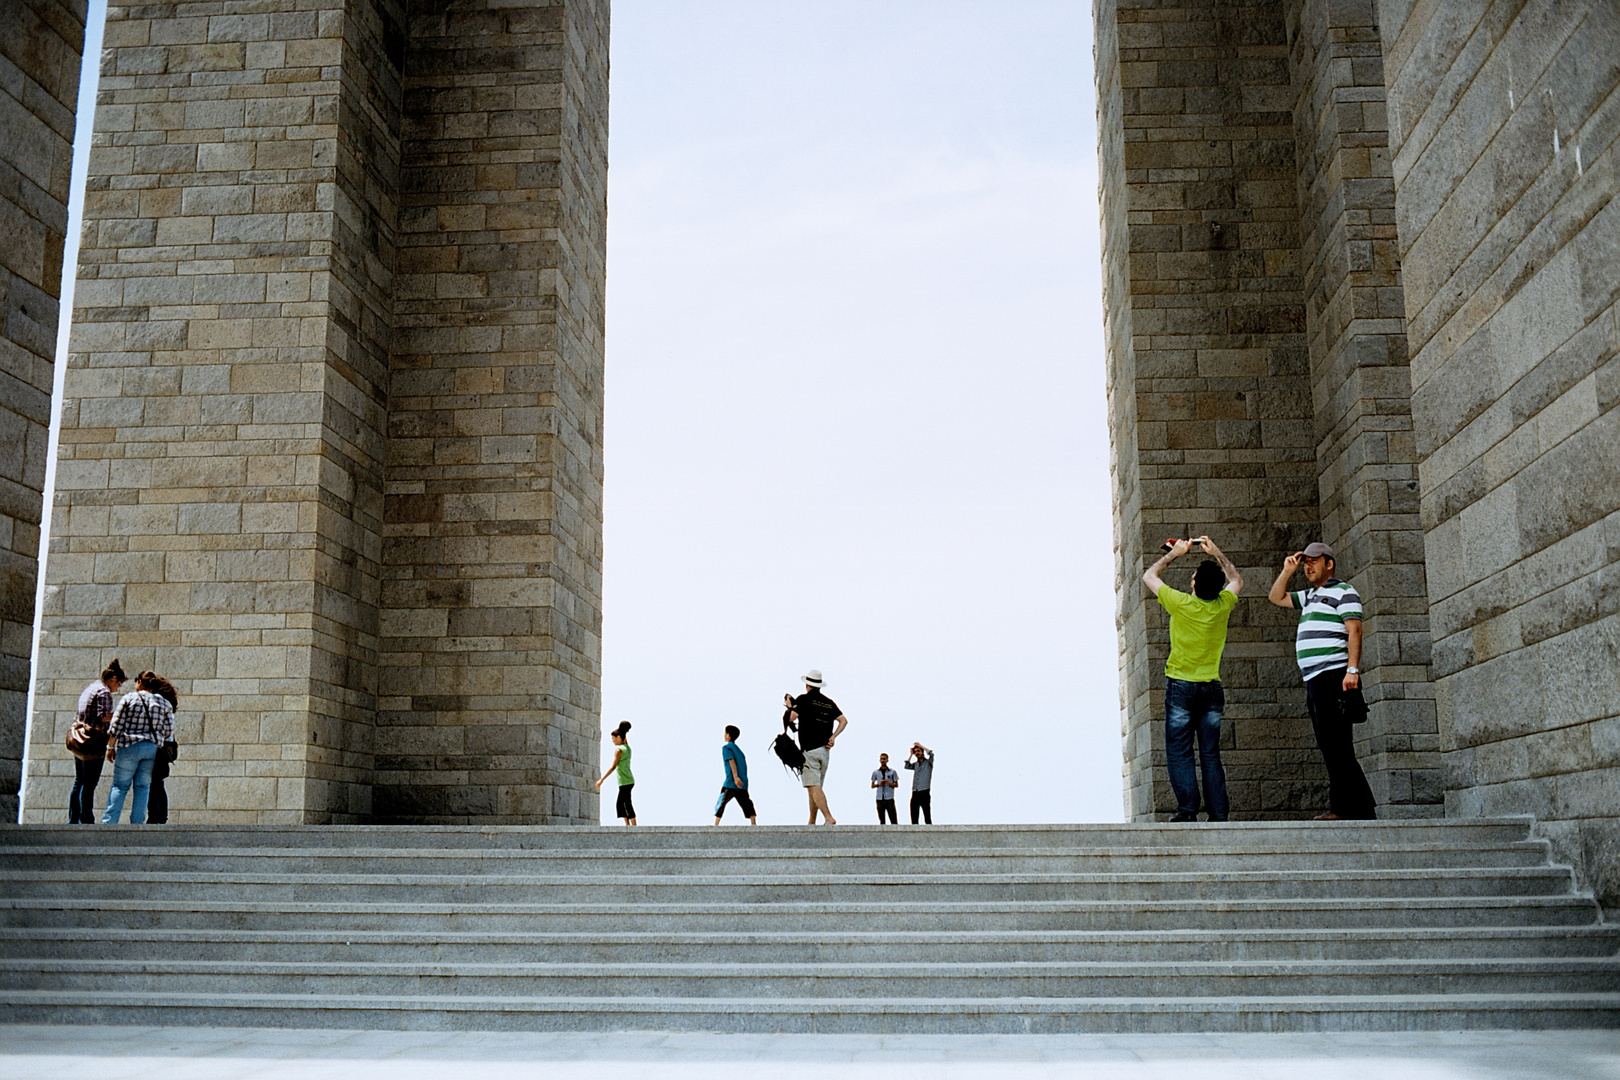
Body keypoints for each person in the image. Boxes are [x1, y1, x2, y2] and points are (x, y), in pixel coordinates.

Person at [1268, 541, 1376, 820]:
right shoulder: (1311, 595)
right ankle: (1361, 808)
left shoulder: (1344, 591)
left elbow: (1355, 632)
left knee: (1336, 743)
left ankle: (1344, 809)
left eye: (1314, 560)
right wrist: (1287, 570)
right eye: (1306, 561)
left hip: (1334, 676)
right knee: (1331, 744)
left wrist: (1352, 671)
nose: (1308, 565)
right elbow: (1276, 597)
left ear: (1330, 563)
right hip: (1315, 679)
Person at [1143, 535, 1242, 822]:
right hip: (1211, 687)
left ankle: (1187, 811)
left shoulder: (1180, 604)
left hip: (1181, 687)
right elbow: (1236, 579)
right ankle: (1218, 814)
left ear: (1194, 584)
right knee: (1210, 755)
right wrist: (1218, 552)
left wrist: (1174, 554)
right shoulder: (1224, 604)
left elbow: (1150, 575)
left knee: (1180, 753)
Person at [101, 670, 175, 825]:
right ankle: (137, 824)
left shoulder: (128, 698)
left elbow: (116, 726)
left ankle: (109, 823)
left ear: (140, 682)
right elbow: (169, 730)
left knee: (120, 786)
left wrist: (110, 747)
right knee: (142, 787)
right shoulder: (163, 703)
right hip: (151, 748)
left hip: (129, 746)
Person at [784, 669, 847, 825]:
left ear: (807, 684)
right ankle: (812, 821)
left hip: (809, 750)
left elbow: (791, 718)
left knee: (813, 786)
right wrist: (833, 737)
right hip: (824, 750)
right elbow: (843, 720)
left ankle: (828, 817)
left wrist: (789, 706)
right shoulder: (828, 702)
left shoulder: (803, 699)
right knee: (815, 787)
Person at [69, 659, 125, 824]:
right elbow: (104, 716)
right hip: (93, 741)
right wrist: (121, 714)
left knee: (79, 780)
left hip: (79, 738)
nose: (117, 689)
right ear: (113, 679)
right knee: (89, 783)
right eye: (119, 684)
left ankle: (73, 819)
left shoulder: (91, 688)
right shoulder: (104, 692)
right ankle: (86, 819)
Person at [145, 674, 179, 825]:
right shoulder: (167, 705)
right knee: (157, 784)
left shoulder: (157, 705)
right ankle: (159, 817)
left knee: (153, 784)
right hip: (163, 749)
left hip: (157, 747)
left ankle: (155, 817)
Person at [714, 725, 757, 825]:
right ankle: (753, 823)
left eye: (725, 733)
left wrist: (735, 777)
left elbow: (731, 761)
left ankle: (715, 825)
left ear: (728, 736)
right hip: (743, 783)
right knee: (746, 802)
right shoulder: (740, 751)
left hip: (731, 782)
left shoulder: (726, 748)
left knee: (722, 801)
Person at [595, 721, 636, 825]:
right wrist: (624, 731)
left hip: (625, 781)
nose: (613, 741)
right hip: (628, 780)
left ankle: (633, 826)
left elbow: (613, 767)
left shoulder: (619, 751)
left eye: (613, 739)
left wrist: (602, 779)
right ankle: (628, 826)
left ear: (618, 737)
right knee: (622, 804)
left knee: (625, 803)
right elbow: (625, 739)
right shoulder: (627, 747)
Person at [904, 742, 934, 824]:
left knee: (927, 816)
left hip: (924, 791)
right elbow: (906, 766)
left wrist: (921, 746)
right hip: (915, 792)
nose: (917, 753)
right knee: (914, 816)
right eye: (915, 752)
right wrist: (910, 754)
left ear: (922, 752)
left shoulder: (928, 763)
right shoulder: (916, 764)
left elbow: (931, 753)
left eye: (918, 751)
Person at [871, 753, 899, 824]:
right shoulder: (875, 772)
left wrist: (889, 783)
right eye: (881, 759)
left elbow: (896, 784)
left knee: (893, 818)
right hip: (880, 798)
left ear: (887, 760)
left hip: (889, 798)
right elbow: (872, 785)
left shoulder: (892, 772)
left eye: (884, 759)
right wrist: (879, 784)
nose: (882, 760)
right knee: (882, 820)